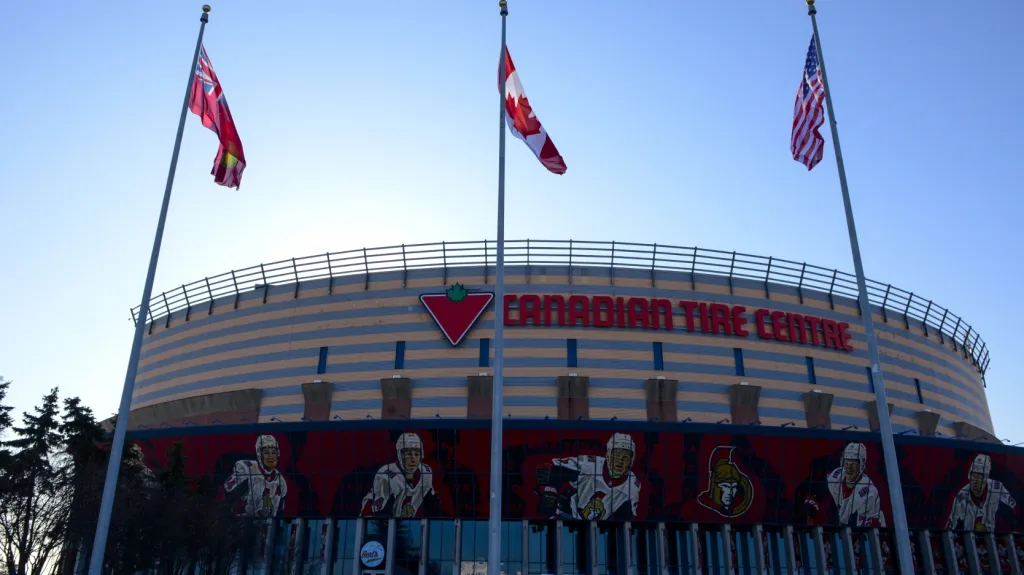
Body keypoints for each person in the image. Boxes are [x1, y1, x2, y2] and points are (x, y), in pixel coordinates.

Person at [535, 433, 641, 520]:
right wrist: (550, 492)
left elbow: (625, 522)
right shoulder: (589, 465)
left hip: (596, 532)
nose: (620, 461)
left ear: (631, 461)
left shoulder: (632, 486)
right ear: (608, 454)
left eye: (625, 457)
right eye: (617, 455)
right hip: (568, 518)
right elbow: (546, 469)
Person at [362, 433, 441, 517]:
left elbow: (432, 506)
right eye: (408, 454)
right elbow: (380, 516)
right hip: (372, 524)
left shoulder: (426, 471)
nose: (413, 459)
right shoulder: (386, 476)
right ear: (400, 455)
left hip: (402, 524)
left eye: (417, 454)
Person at [946, 454, 1017, 532]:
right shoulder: (961, 497)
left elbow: (1014, 506)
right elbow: (950, 525)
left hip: (991, 538)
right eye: (973, 475)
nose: (975, 480)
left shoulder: (997, 487)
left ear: (986, 477)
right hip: (971, 539)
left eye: (979, 476)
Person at [821, 442, 885, 527]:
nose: (849, 468)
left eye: (853, 464)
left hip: (871, 532)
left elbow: (847, 523)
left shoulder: (868, 491)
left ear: (861, 464)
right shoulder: (835, 477)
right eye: (847, 463)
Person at [223, 434, 288, 517]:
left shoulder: (280, 480)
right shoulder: (246, 469)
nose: (271, 456)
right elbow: (228, 496)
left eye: (273, 452)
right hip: (241, 524)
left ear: (278, 453)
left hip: (267, 526)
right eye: (266, 452)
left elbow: (280, 512)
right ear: (259, 454)